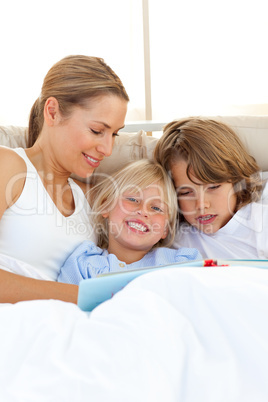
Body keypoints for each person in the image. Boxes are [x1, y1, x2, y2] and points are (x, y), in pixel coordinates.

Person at [0, 55, 129, 303]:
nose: (108, 149)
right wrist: (87, 296)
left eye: (114, 134)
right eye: (96, 130)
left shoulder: (90, 198)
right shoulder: (9, 167)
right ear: (52, 112)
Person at [58, 159, 201, 284]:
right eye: (132, 199)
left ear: (166, 229)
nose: (143, 211)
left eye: (156, 208)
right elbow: (63, 309)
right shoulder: (84, 265)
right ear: (105, 205)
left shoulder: (180, 263)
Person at [154, 117, 268, 259]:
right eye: (186, 192)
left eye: (213, 187)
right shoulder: (173, 238)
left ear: (236, 180)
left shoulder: (260, 220)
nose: (201, 204)